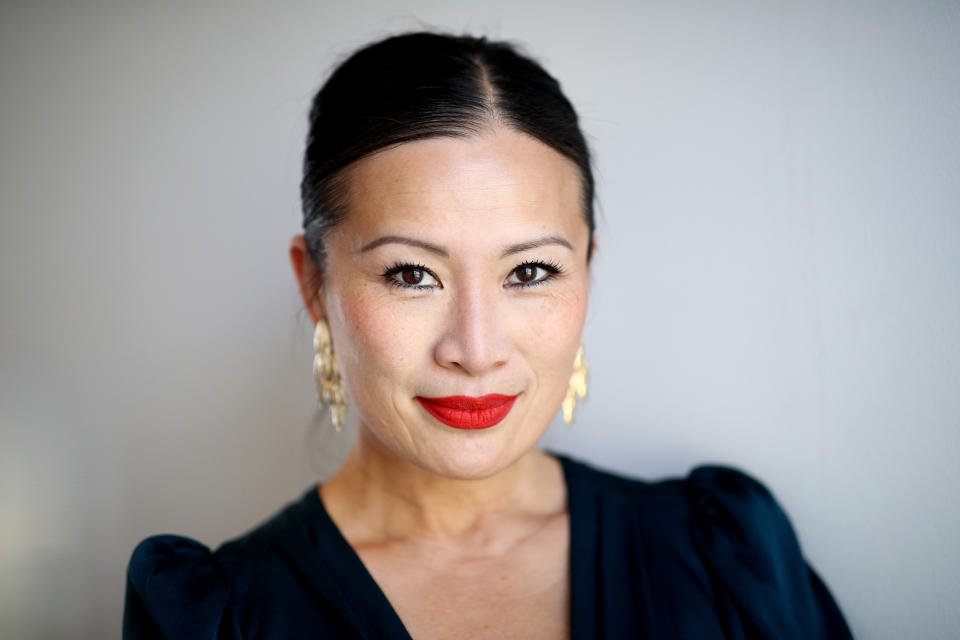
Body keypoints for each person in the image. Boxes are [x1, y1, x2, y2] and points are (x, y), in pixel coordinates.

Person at [123, 32, 852, 639]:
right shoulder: (218, 620)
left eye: (531, 271)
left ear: (589, 271)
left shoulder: (726, 559)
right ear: (314, 284)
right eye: (412, 274)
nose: (475, 349)